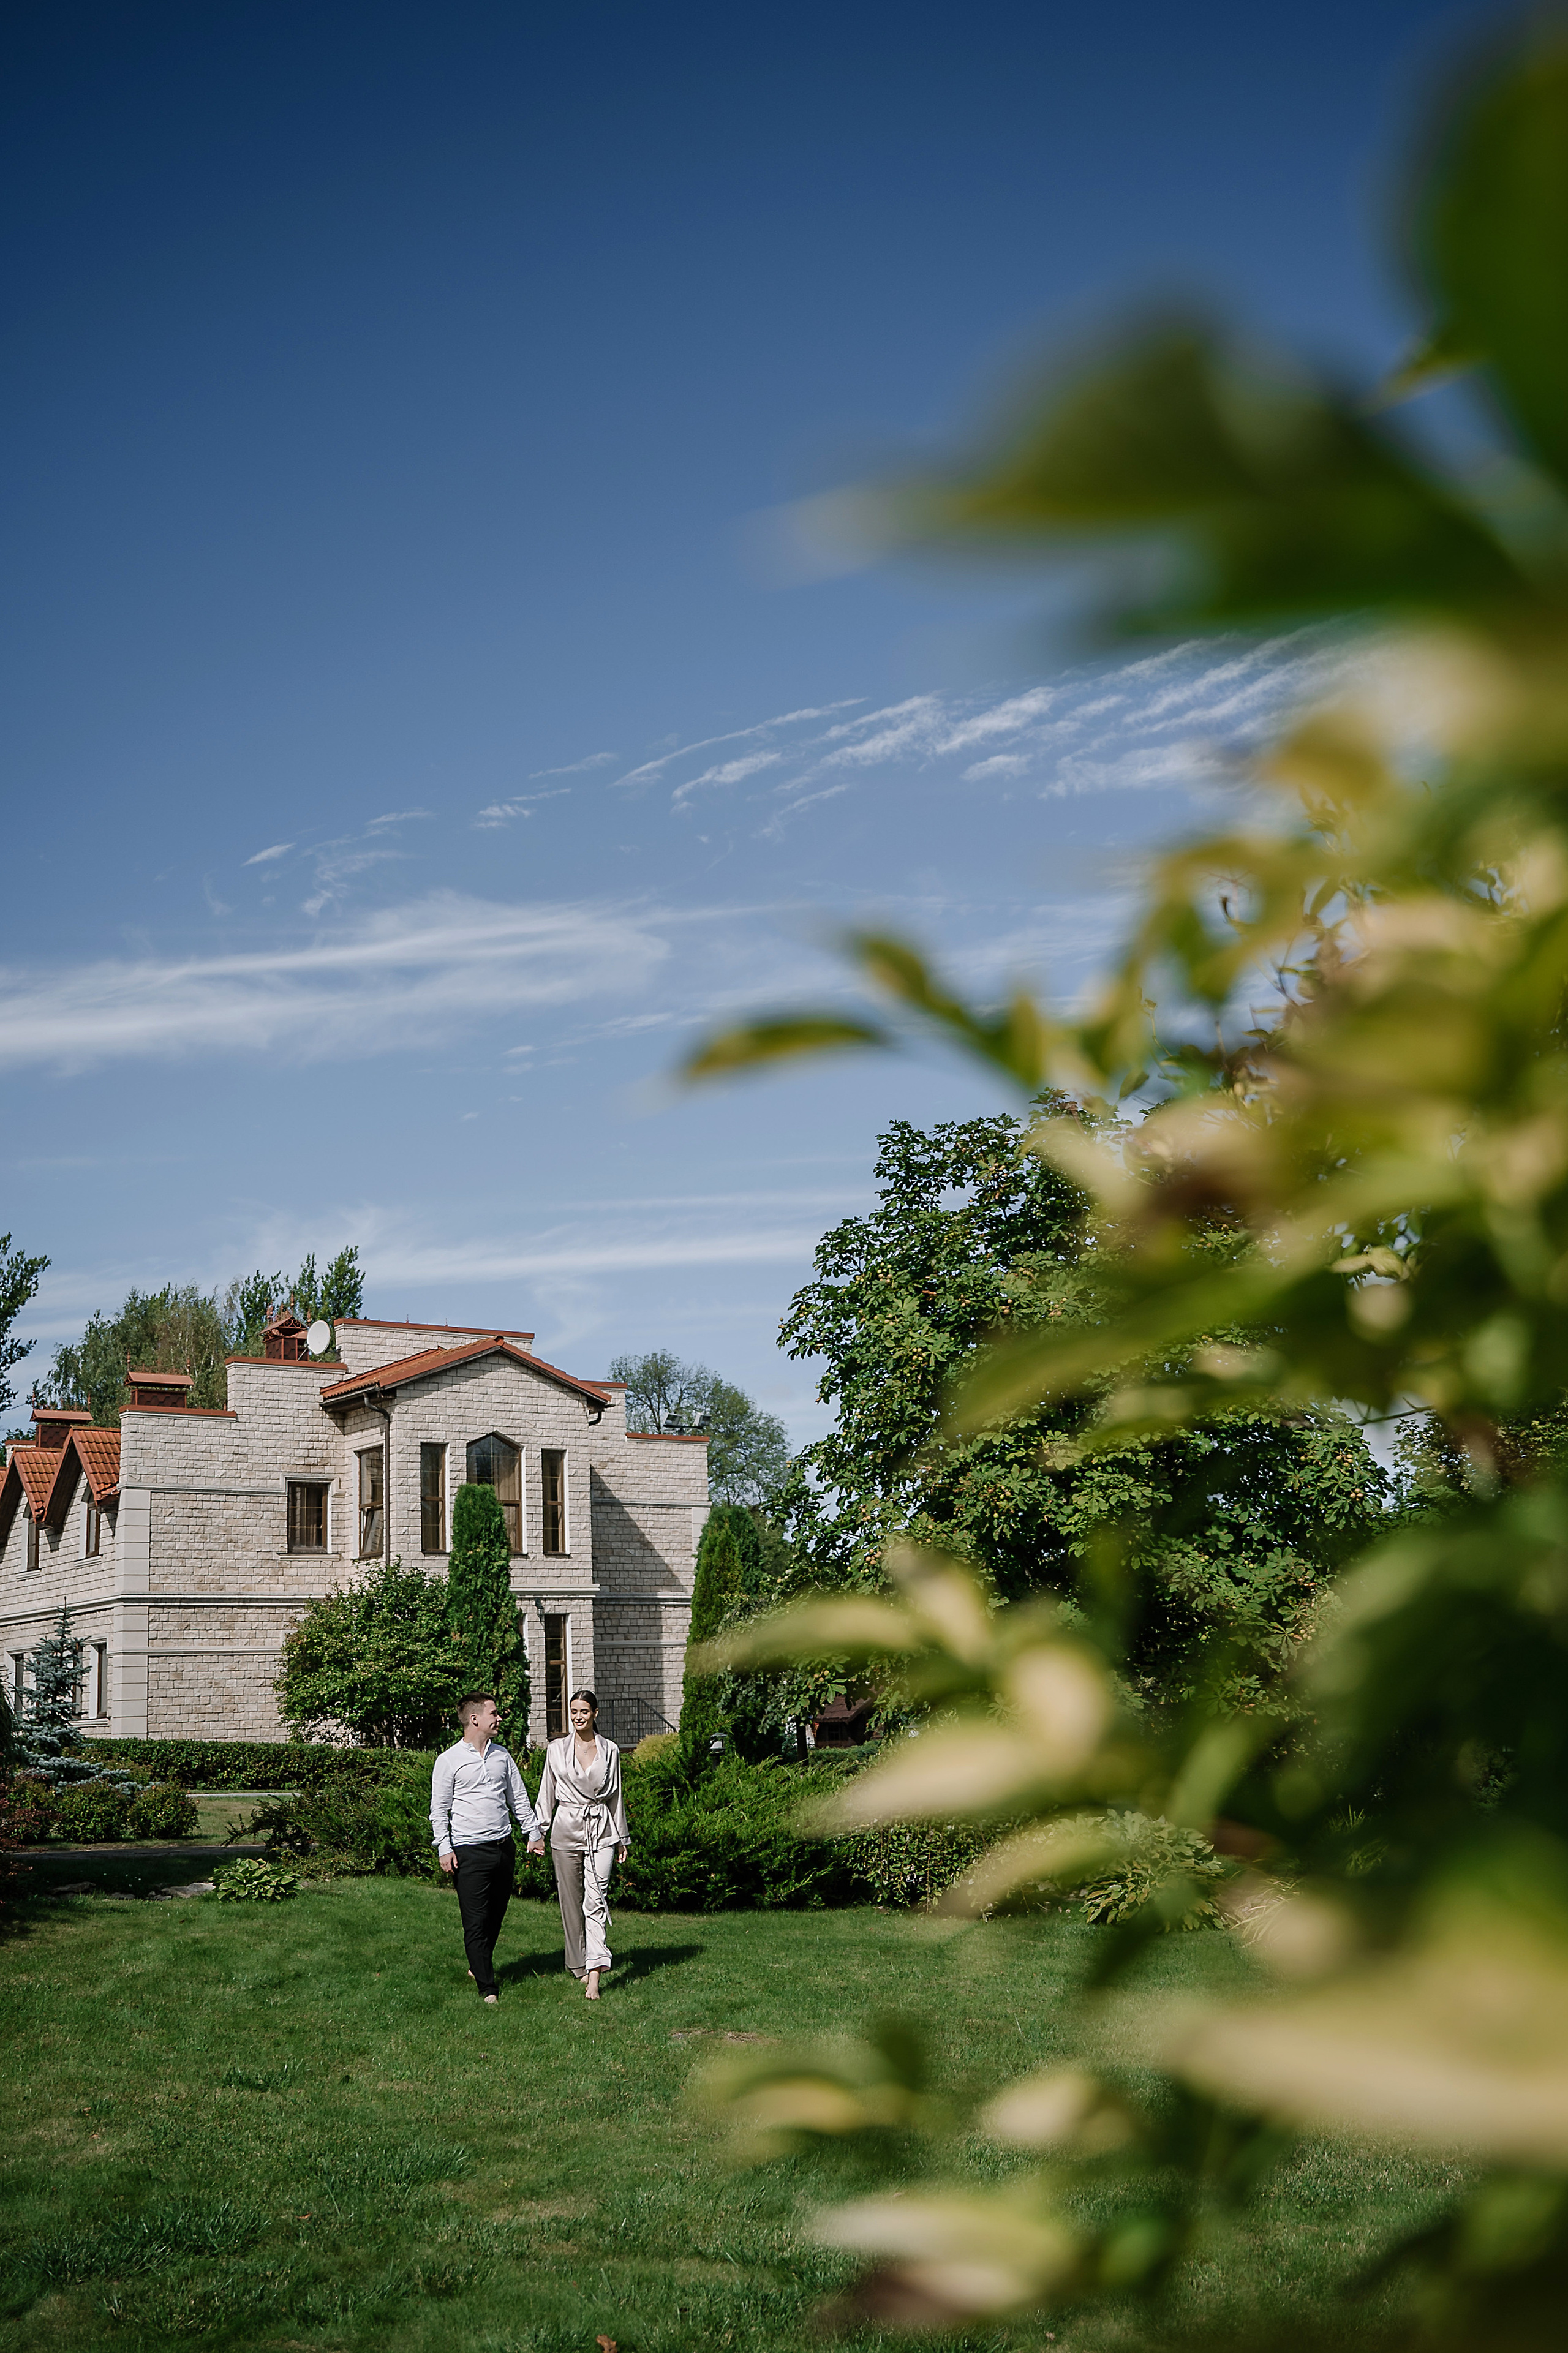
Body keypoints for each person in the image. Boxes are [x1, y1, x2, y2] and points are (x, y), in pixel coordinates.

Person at [430, 1690, 543, 2006]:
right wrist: (444, 1847)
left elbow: (518, 1798)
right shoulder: (449, 1760)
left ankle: (477, 1964)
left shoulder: (502, 1756)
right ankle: (487, 1987)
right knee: (475, 1921)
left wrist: (532, 1833)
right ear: (474, 1719)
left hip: (503, 1847)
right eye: (494, 1713)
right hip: (468, 1851)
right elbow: (439, 1810)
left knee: (496, 1915)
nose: (499, 1718)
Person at [534, 1689, 628, 2000]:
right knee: (571, 1903)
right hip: (565, 1829)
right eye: (573, 1711)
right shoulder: (556, 1749)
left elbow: (615, 1797)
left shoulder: (611, 1750)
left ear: (595, 1714)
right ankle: (577, 1963)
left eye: (584, 1711)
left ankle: (594, 1973)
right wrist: (539, 1832)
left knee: (596, 1899)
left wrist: (622, 1838)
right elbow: (547, 1791)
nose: (578, 1716)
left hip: (601, 1829)